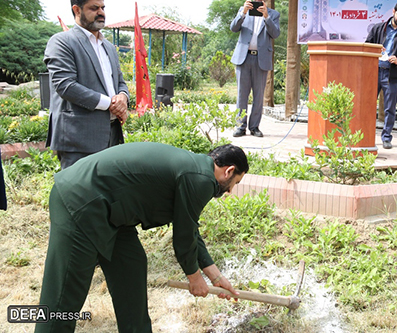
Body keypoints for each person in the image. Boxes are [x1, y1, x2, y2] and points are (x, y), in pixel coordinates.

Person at [35, 142, 248, 333]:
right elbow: (183, 238)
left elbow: (189, 228)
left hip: (114, 212)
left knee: (131, 266)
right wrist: (195, 279)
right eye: (235, 183)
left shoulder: (196, 170)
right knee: (64, 296)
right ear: (228, 171)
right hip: (82, 201)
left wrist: (216, 278)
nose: (230, 191)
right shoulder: (201, 179)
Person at [44, 0, 129, 169]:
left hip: (112, 134)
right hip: (78, 139)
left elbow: (120, 82)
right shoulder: (62, 42)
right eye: (94, 8)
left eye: (102, 8)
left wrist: (123, 97)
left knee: (108, 193)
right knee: (79, 195)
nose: (101, 13)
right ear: (77, 9)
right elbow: (65, 85)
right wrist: (111, 104)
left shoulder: (108, 47)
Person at [230, 0, 281, 138]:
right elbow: (233, 28)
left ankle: (254, 127)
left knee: (259, 96)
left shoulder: (273, 14)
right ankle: (240, 126)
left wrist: (266, 16)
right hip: (243, 59)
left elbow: (275, 34)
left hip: (261, 59)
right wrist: (243, 13)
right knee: (241, 94)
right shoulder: (243, 10)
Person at [365, 1, 397, 149]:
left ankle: (386, 137)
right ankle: (365, 135)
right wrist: (376, 50)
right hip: (374, 72)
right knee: (368, 105)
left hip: (392, 75)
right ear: (393, 11)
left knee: (390, 109)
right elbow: (366, 46)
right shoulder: (378, 28)